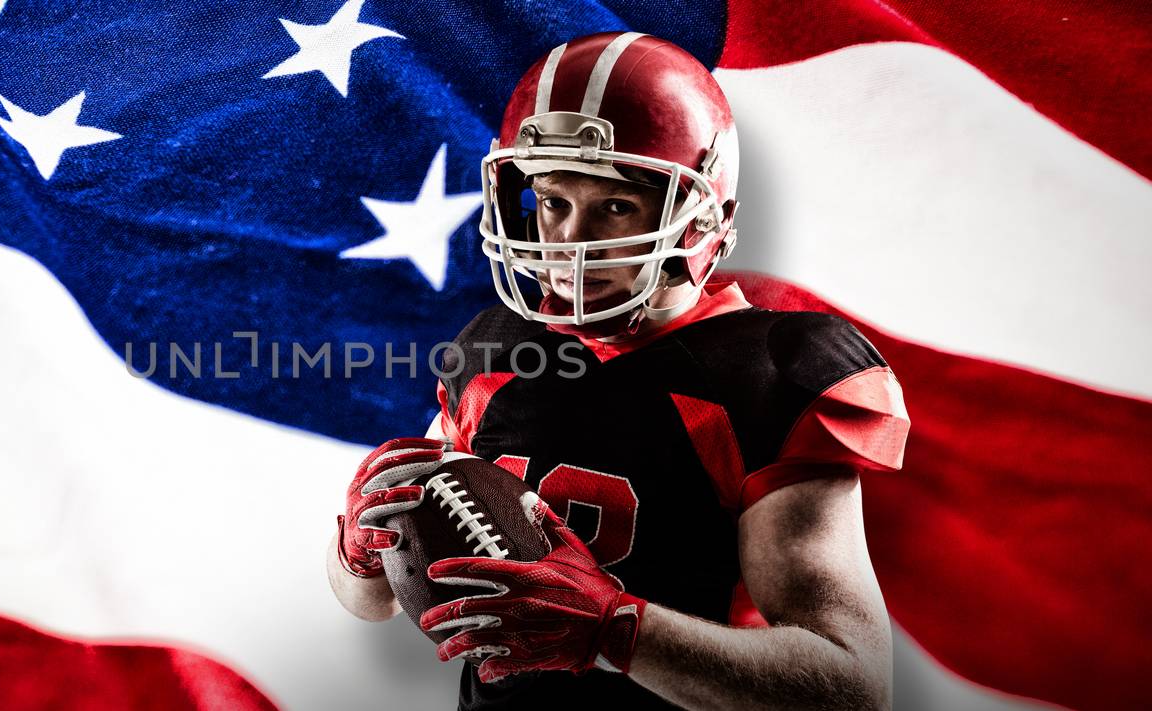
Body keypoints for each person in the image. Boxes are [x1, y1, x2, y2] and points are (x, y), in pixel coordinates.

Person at [326, 32, 911, 710]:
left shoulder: (769, 369)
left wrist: (616, 629)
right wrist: (362, 550)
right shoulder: (493, 348)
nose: (570, 241)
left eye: (613, 206)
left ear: (699, 221)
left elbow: (851, 689)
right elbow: (371, 602)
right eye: (553, 202)